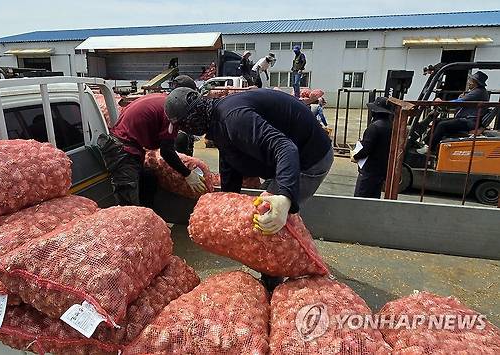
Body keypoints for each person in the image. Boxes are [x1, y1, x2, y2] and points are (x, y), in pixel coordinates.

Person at [164, 87, 333, 290]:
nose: (186, 131)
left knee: (269, 219)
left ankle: (284, 281)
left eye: (183, 125)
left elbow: (285, 148)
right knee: (260, 213)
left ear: (193, 115)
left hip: (310, 160)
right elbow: (230, 161)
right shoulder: (217, 120)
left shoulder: (234, 118)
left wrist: (285, 197)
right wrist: (227, 200)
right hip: (288, 158)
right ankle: (272, 274)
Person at [97, 76, 206, 206]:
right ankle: (135, 223)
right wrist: (187, 174)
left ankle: (149, 218)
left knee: (149, 180)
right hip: (122, 150)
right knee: (128, 203)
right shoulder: (171, 111)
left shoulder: (162, 98)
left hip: (128, 146)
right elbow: (167, 151)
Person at [426, 71, 490, 154]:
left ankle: (430, 149)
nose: (468, 82)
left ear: (476, 83)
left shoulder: (478, 92)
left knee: (442, 125)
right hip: (466, 119)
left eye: (471, 81)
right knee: (438, 121)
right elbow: (462, 102)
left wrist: (443, 102)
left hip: (469, 121)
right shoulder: (477, 91)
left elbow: (459, 101)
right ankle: (428, 144)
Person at [352, 97, 394, 198]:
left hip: (369, 170)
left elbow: (366, 149)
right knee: (374, 200)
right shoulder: (390, 126)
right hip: (381, 171)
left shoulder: (374, 127)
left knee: (360, 199)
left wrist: (355, 156)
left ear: (375, 111)